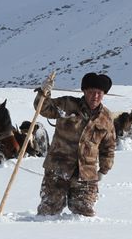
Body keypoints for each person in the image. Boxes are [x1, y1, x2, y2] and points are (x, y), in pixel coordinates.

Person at [34, 72, 116, 217]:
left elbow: (108, 147)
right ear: (84, 91)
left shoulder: (106, 118)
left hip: (86, 175)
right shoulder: (67, 105)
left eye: (99, 93)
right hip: (57, 170)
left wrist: (103, 170)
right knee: (48, 213)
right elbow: (43, 108)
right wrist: (43, 92)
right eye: (91, 92)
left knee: (84, 217)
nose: (95, 96)